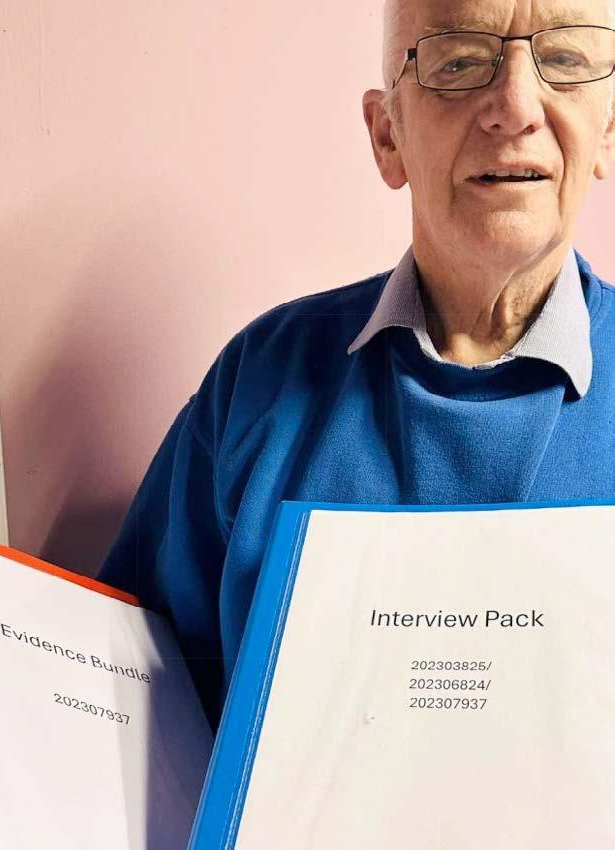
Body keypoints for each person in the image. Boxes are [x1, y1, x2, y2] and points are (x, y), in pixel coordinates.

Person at [100, 0, 615, 730]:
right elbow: (131, 707)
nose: (516, 108)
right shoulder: (256, 383)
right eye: (460, 62)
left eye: (563, 60)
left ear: (608, 129)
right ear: (387, 136)